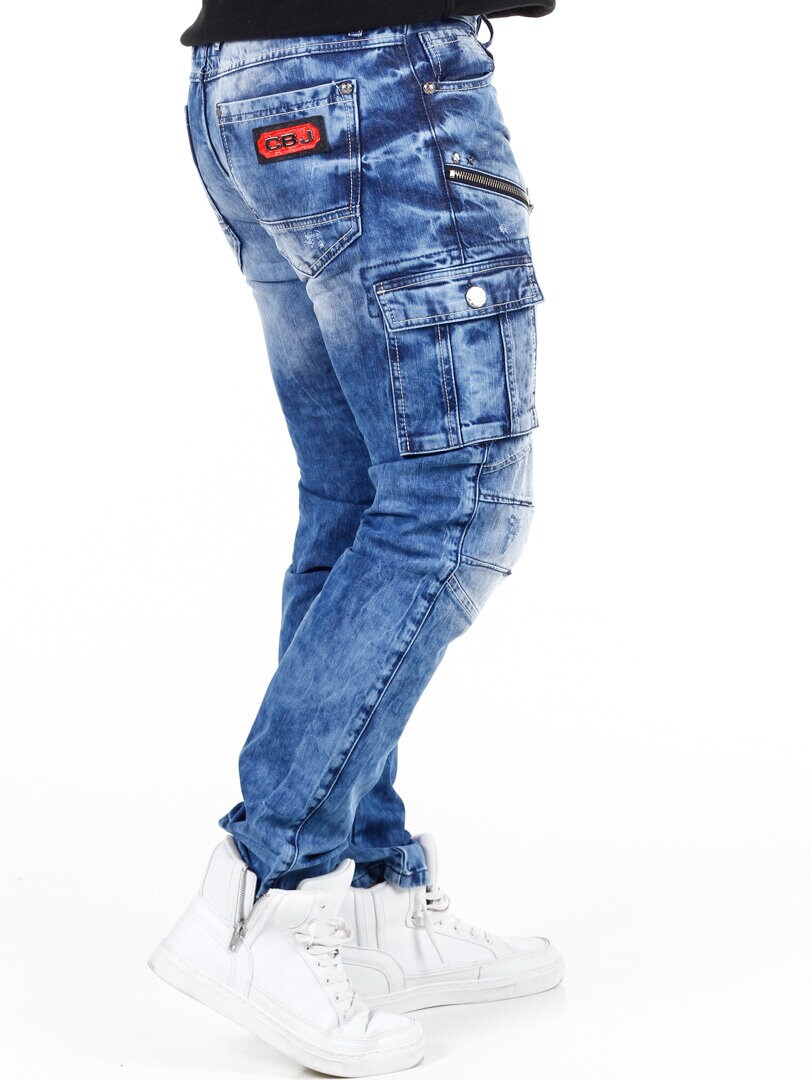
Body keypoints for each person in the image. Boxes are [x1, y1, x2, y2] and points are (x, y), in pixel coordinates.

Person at [149, 2, 562, 1074]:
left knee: (361, 497)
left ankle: (372, 901)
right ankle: (267, 892)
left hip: (254, 83)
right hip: (379, 81)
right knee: (457, 504)